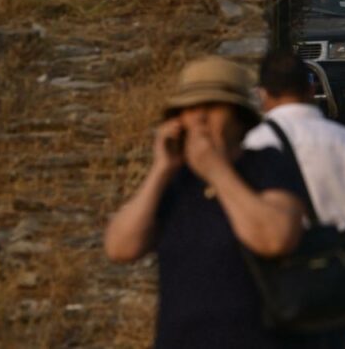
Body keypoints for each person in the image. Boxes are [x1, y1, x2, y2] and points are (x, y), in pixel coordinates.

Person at [103, 57, 315, 348]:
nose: (200, 118)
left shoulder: (266, 165)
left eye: (214, 106)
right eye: (190, 108)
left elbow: (275, 238)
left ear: (239, 116)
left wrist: (216, 170)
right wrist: (161, 168)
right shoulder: (174, 180)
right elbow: (120, 248)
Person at [244, 49, 345, 245]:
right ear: (312, 89)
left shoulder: (253, 143)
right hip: (337, 260)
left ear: (262, 94)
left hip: (276, 263)